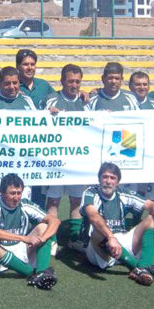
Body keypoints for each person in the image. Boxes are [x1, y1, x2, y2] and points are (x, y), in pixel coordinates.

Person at [80, 163, 154, 286]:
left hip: (121, 244)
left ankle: (143, 267)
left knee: (152, 219)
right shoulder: (90, 192)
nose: (108, 181)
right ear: (99, 178)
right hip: (98, 250)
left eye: (112, 178)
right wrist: (111, 237)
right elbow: (93, 216)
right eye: (105, 177)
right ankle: (140, 268)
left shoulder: (123, 193)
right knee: (97, 230)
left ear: (118, 182)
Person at [0, 174, 60, 290]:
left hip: (21, 249)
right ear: (2, 192)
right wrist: (23, 238)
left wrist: (43, 239)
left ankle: (42, 272)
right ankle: (30, 272)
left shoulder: (24, 204)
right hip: (0, 253)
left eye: (19, 193)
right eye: (12, 193)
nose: (16, 197)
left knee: (43, 227)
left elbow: (54, 221)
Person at [43, 64, 87, 250]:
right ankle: (51, 238)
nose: (74, 85)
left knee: (76, 200)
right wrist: (48, 114)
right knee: (53, 201)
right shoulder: (51, 99)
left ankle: (74, 237)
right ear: (62, 81)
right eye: (70, 81)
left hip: (78, 160)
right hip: (56, 160)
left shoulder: (87, 102)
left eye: (77, 81)